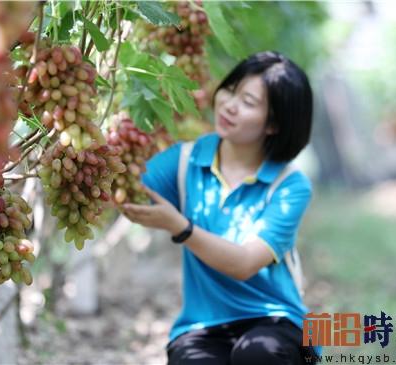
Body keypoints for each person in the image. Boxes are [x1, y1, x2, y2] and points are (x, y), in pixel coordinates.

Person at [121, 51, 318, 365]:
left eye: (249, 102)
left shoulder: (289, 184)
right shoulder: (184, 160)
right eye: (230, 90)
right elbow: (126, 185)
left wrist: (181, 228)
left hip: (276, 322)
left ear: (274, 124)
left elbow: (244, 264)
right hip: (203, 326)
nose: (229, 105)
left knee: (259, 355)